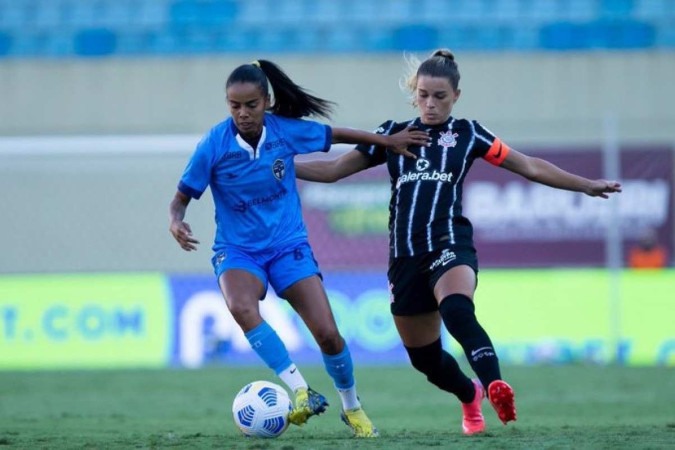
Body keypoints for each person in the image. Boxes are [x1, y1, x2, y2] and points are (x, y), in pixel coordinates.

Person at [295, 49, 622, 435]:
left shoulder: (468, 134)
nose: (430, 104)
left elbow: (529, 165)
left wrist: (586, 185)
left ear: (456, 97)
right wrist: (280, 168)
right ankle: (471, 394)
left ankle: (497, 384)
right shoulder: (391, 135)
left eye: (440, 97)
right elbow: (333, 169)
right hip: (404, 258)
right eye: (423, 95)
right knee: (426, 361)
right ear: (413, 93)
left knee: (457, 310)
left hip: (449, 242)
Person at [168, 59, 430, 438]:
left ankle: (352, 407)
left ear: (266, 101)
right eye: (234, 105)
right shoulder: (213, 144)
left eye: (251, 105)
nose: (242, 113)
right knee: (241, 306)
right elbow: (180, 198)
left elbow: (336, 134)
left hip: (288, 247)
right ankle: (300, 389)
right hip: (238, 251)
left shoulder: (284, 132)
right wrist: (176, 220)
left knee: (328, 334)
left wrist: (387, 141)